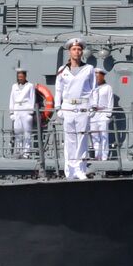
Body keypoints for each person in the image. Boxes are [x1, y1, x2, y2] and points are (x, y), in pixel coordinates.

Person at [54, 38, 95, 180]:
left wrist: (93, 107)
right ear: (69, 51)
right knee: (69, 140)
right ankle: (69, 170)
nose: (77, 52)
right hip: (68, 107)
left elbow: (93, 89)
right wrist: (57, 107)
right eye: (74, 49)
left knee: (82, 139)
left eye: (79, 49)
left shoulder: (89, 69)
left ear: (82, 51)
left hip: (83, 106)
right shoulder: (62, 70)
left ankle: (80, 169)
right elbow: (58, 90)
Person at [9, 68, 35, 158]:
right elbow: (12, 99)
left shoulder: (30, 86)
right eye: (18, 76)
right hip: (17, 109)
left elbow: (32, 98)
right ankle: (19, 151)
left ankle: (26, 152)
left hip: (26, 108)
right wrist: (11, 112)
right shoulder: (14, 86)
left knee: (27, 131)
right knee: (17, 131)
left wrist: (30, 112)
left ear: (25, 76)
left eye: (21, 76)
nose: (20, 78)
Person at [89, 68, 114, 162]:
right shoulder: (91, 87)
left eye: (97, 74)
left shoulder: (108, 87)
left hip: (103, 113)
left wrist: (108, 114)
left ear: (102, 76)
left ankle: (104, 156)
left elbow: (110, 101)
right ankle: (97, 154)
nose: (96, 76)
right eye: (94, 74)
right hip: (93, 114)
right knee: (94, 136)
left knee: (104, 136)